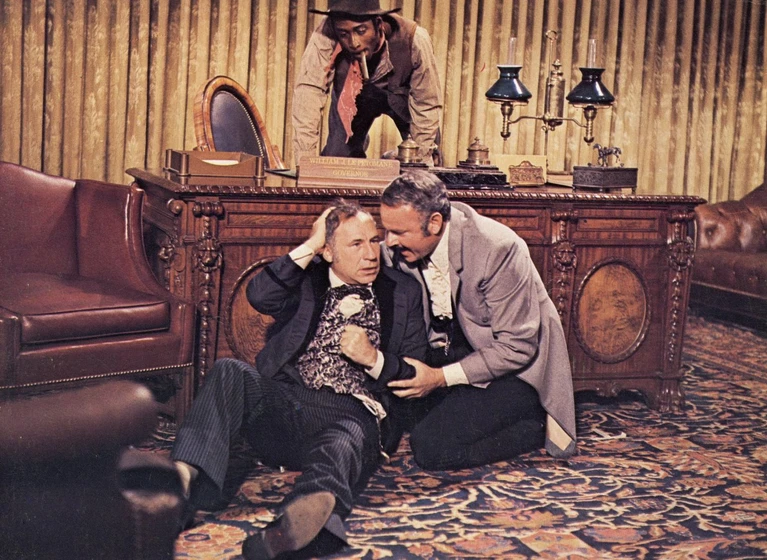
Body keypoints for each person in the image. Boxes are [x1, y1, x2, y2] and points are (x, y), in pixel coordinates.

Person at [171, 201, 428, 559]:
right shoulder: (307, 278)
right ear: (328, 251)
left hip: (352, 412)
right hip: (287, 404)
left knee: (342, 444)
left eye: (374, 240)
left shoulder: (402, 290)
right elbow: (260, 295)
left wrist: (374, 359)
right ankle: (178, 487)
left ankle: (297, 528)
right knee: (229, 370)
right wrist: (311, 245)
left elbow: (417, 367)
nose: (372, 254)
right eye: (356, 244)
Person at [378, 170, 577, 471]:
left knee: (431, 447)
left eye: (398, 232)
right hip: (459, 356)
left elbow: (517, 348)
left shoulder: (497, 247)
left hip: (517, 370)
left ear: (434, 223)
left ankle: (534, 425)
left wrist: (439, 379)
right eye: (386, 230)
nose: (388, 241)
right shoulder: (401, 246)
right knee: (391, 407)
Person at [292, 0, 442, 165]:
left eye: (361, 31)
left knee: (421, 163)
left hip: (404, 99)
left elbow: (426, 104)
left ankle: (393, 158)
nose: (354, 43)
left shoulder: (415, 39)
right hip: (353, 98)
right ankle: (358, 147)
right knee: (337, 159)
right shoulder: (326, 33)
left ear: (378, 24)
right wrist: (304, 161)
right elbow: (309, 91)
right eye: (344, 34)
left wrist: (423, 160)